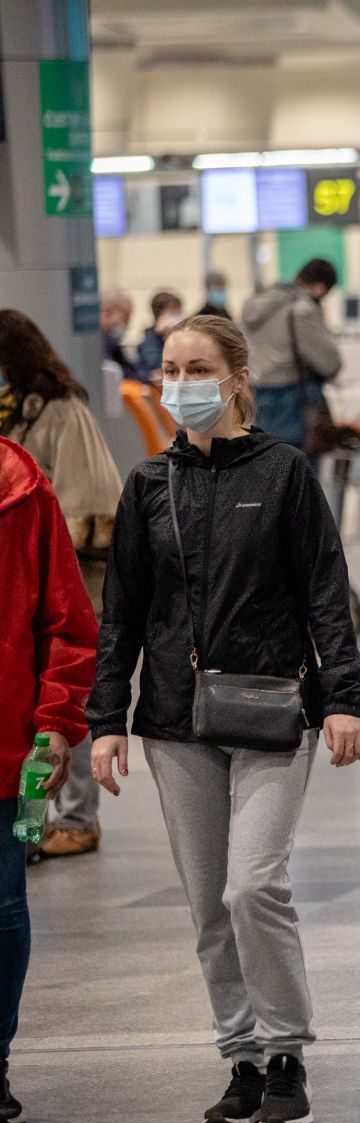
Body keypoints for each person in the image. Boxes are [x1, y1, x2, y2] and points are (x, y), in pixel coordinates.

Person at [87, 315, 360, 1123]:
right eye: (171, 369)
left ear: (238, 377)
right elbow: (123, 614)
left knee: (255, 884)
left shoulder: (283, 474)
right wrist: (107, 718)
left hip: (276, 709)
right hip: (176, 721)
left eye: (198, 368)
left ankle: (287, 1053)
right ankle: (241, 1058)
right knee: (209, 903)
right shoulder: (147, 485)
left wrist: (344, 698)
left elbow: (326, 591)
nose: (180, 383)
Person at [0, 433, 98, 1123]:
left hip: (6, 747)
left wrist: (57, 720)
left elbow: (66, 622)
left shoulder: (22, 490)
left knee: (3, 907)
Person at [0, 310, 123, 858]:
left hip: (71, 577)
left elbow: (92, 501)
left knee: (67, 706)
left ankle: (76, 819)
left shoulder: (62, 411)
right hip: (24, 588)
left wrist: (40, 539)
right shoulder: (17, 414)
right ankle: (31, 831)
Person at [241, 258, 342, 451]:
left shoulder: (255, 304)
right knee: (300, 465)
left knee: (270, 458)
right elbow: (329, 363)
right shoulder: (301, 308)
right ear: (320, 287)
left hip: (257, 391)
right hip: (292, 397)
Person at [136, 291, 184, 383]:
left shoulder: (184, 335)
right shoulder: (150, 339)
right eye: (174, 310)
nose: (180, 314)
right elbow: (156, 371)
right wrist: (166, 336)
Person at [101, 289, 138, 380]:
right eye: (125, 318)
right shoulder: (96, 345)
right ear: (107, 313)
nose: (127, 325)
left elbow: (134, 371)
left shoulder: (112, 343)